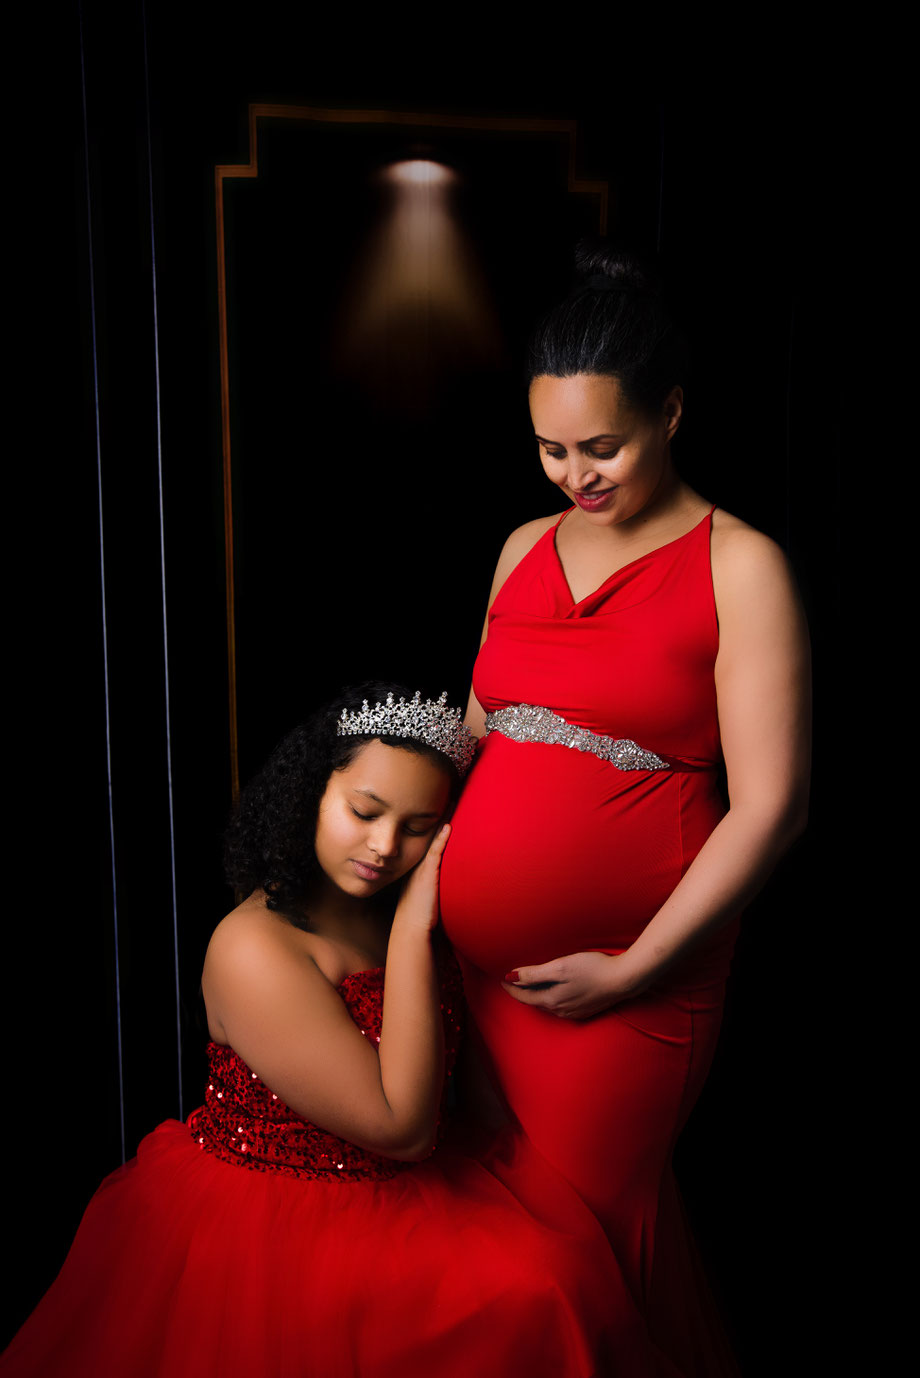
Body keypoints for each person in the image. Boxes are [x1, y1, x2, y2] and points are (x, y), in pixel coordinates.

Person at [2, 683, 650, 1378]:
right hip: (280, 1217)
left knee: (565, 1275)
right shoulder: (252, 947)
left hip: (423, 1190)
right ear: (312, 789)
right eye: (363, 811)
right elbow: (402, 1129)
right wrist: (410, 933)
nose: (383, 847)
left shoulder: (393, 896)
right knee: (528, 1292)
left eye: (417, 826)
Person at [438, 244, 812, 1377]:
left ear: (672, 410)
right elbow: (473, 733)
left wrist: (634, 967)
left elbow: (772, 806)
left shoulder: (739, 565)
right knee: (485, 1245)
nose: (573, 476)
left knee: (588, 1244)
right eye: (550, 449)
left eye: (602, 446)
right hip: (469, 986)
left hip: (629, 986)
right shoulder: (519, 547)